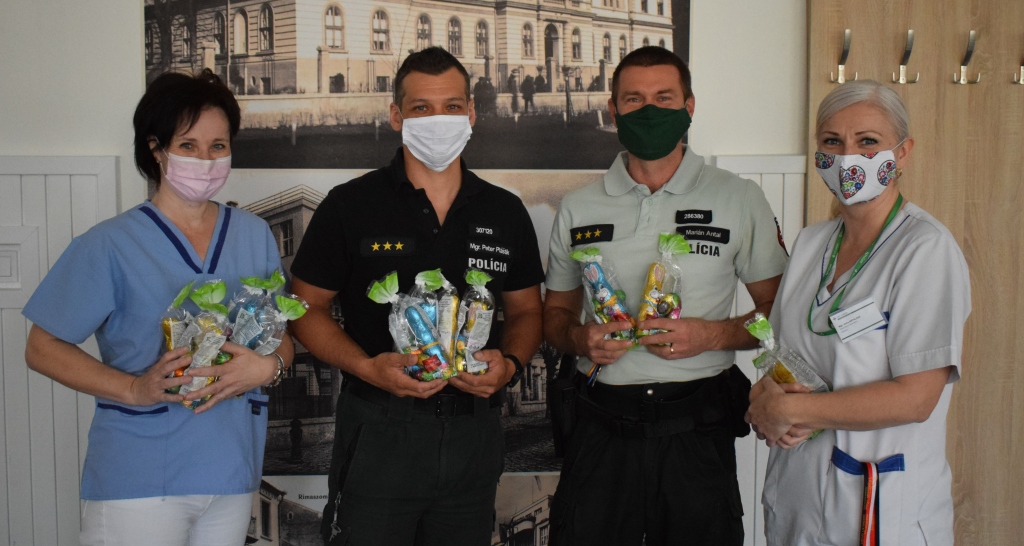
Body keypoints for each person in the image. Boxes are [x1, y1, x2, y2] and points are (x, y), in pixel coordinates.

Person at [22, 69, 294, 546]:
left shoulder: (253, 234)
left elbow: (281, 339)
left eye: (217, 146)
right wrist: (133, 388)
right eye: (188, 145)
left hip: (232, 470)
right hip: (140, 475)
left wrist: (268, 368)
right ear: (156, 148)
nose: (205, 159)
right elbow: (41, 347)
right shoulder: (110, 244)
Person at [288, 46, 544, 546]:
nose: (438, 119)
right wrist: (366, 368)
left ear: (472, 113)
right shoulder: (350, 205)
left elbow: (527, 311)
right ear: (396, 116)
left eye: (452, 106)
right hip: (379, 430)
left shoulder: (505, 210)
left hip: (473, 436)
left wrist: (511, 365)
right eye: (422, 108)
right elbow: (305, 308)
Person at [542, 46, 789, 545]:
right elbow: (555, 315)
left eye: (664, 97)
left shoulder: (739, 198)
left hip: (698, 427)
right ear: (613, 110)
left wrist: (712, 335)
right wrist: (580, 338)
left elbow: (778, 314)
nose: (649, 110)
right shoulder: (578, 206)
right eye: (633, 99)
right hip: (600, 424)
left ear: (689, 106)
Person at [745, 80, 970, 546]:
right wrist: (766, 398)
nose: (848, 157)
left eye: (868, 141)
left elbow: (915, 398)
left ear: (902, 153)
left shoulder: (925, 249)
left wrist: (792, 409)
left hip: (879, 503)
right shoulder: (812, 244)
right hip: (799, 491)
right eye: (832, 142)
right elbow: (785, 355)